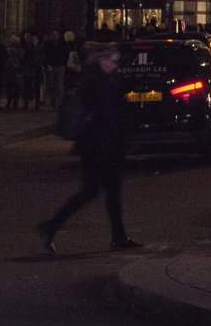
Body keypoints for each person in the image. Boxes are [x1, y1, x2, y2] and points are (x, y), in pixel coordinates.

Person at [39, 43, 139, 254]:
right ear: (102, 60)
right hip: (98, 147)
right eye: (112, 60)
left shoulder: (103, 80)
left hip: (105, 146)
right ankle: (51, 226)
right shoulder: (95, 83)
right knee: (91, 191)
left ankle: (118, 236)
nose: (115, 64)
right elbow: (106, 115)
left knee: (110, 193)